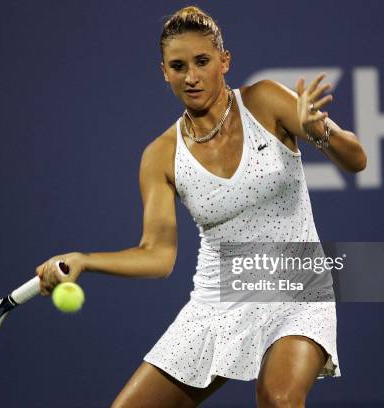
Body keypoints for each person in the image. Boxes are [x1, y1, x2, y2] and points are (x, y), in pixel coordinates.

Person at [36, 6, 366, 408]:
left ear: (224, 62)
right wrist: (85, 260)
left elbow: (357, 160)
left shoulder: (266, 101)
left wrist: (320, 132)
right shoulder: (160, 155)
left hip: (297, 286)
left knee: (278, 399)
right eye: (178, 66)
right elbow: (157, 256)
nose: (191, 77)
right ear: (163, 71)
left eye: (202, 62)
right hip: (217, 299)